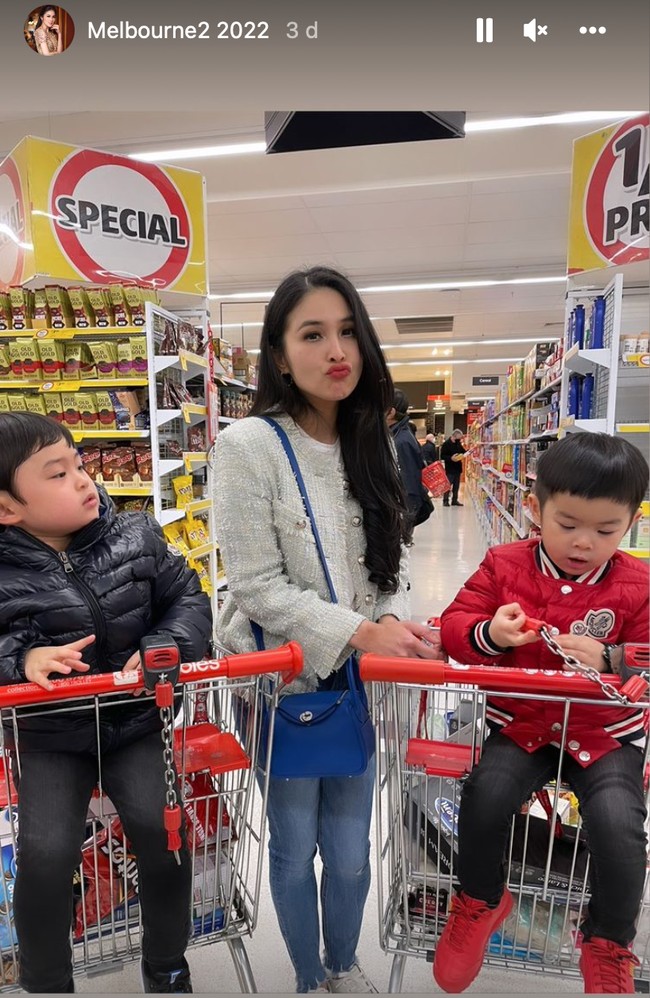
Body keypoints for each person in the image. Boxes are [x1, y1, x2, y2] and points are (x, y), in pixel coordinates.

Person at [213, 265, 439, 994]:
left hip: (360, 686)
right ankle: (309, 977)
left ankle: (344, 964)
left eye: (348, 331)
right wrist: (357, 632)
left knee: (349, 850)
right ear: (280, 355)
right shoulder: (248, 445)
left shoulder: (373, 440)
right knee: (291, 844)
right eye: (313, 334)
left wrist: (392, 619)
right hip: (280, 682)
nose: (337, 350)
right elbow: (254, 583)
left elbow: (387, 563)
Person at [0, 412, 212, 994]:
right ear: (6, 509)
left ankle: (167, 964)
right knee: (44, 855)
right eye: (57, 473)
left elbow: (188, 597)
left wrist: (165, 645)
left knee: (162, 832)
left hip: (137, 720)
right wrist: (20, 662)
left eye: (78, 463)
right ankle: (46, 981)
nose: (83, 479)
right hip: (50, 737)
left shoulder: (136, 535)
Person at [434, 432, 649, 995]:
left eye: (605, 531)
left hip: (604, 732)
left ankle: (607, 940)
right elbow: (455, 623)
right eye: (568, 524)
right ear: (534, 509)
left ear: (630, 523)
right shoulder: (505, 566)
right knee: (484, 797)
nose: (583, 543)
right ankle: (480, 900)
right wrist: (491, 635)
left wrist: (614, 656)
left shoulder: (639, 584)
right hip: (523, 722)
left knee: (620, 826)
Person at [387, 389, 433, 527]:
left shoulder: (401, 442)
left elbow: (409, 486)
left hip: (402, 516)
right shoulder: (397, 434)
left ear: (390, 412)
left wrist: (403, 524)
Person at [440, 428, 466, 506]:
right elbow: (442, 456)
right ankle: (445, 500)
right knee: (448, 485)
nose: (460, 439)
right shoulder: (446, 444)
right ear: (454, 436)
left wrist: (468, 453)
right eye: (459, 437)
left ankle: (454, 500)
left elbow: (463, 451)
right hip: (450, 468)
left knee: (456, 486)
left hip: (457, 468)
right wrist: (451, 458)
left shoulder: (458, 444)